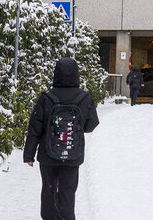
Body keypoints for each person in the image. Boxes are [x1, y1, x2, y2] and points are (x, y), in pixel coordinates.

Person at [24, 56, 99, 220]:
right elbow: (91, 125)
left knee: (49, 190)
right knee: (67, 191)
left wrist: (29, 155)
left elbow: (35, 128)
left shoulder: (46, 97)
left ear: (56, 73)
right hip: (73, 154)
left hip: (47, 155)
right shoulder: (85, 98)